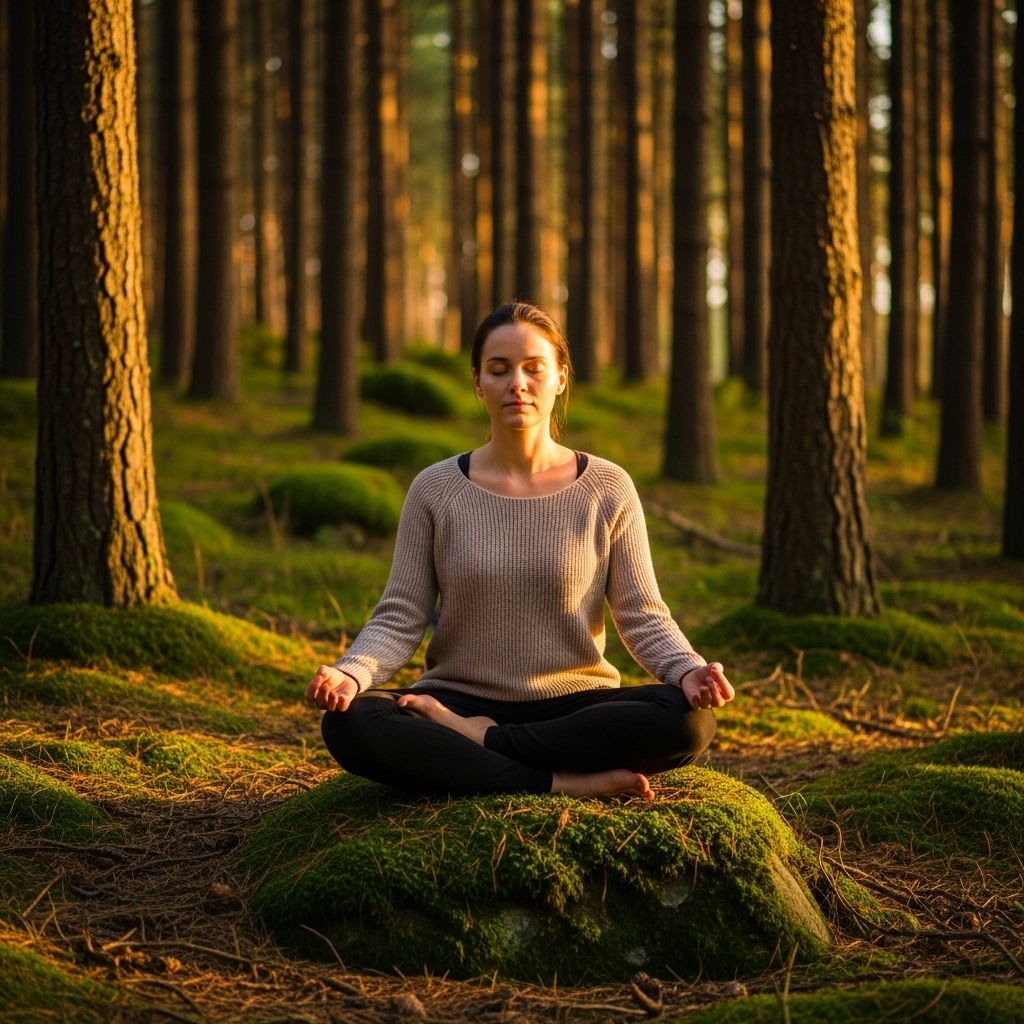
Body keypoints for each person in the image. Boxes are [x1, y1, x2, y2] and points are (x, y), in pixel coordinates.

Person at [305, 301, 735, 799]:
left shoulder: (608, 487)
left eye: (534, 368)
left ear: (560, 379)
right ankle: (555, 782)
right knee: (351, 723)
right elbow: (400, 616)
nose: (517, 384)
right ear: (477, 382)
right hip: (456, 698)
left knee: (689, 724)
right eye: (499, 369)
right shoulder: (435, 489)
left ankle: (483, 743)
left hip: (575, 707)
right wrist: (350, 674)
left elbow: (641, 614)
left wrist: (689, 670)